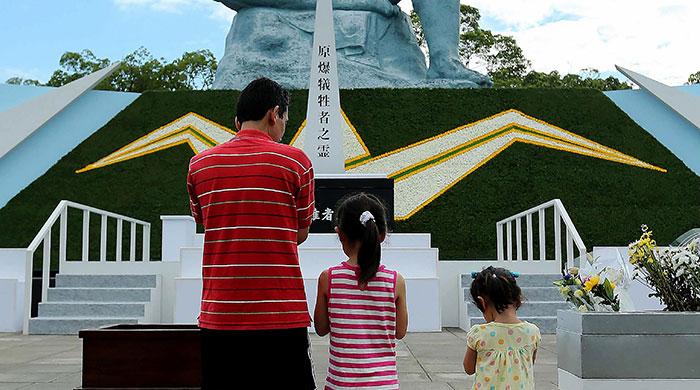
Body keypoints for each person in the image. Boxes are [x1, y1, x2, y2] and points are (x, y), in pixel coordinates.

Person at [186, 77, 316, 389]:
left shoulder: (198, 165)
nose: (283, 125)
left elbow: (207, 225)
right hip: (282, 314)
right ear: (274, 114)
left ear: (237, 121)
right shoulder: (297, 162)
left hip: (220, 314)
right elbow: (300, 233)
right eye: (285, 118)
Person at [313, 192, 408, 389]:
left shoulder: (328, 278)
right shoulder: (395, 281)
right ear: (381, 235)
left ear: (340, 234)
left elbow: (321, 329)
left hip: (341, 383)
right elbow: (400, 332)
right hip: (385, 384)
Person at [463, 267, 541, 390]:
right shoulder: (532, 332)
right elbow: (529, 362)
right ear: (518, 299)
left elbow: (469, 368)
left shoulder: (479, 333)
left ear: (482, 302)